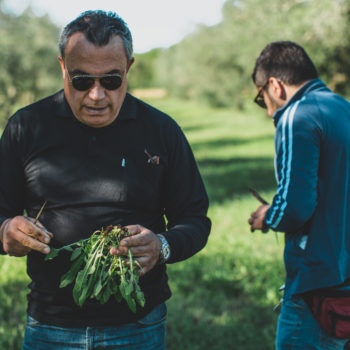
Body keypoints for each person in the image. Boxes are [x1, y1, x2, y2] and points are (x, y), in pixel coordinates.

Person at [0, 10, 211, 349]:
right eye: (81, 81)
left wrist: (162, 245)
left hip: (138, 325)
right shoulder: (26, 127)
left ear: (128, 67)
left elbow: (195, 220)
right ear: (62, 68)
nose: (96, 95)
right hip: (50, 327)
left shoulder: (161, 131)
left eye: (111, 81)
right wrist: (5, 232)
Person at [248, 41, 350, 349]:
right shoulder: (343, 107)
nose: (268, 110)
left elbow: (295, 207)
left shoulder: (297, 115)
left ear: (275, 85)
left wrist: (268, 216)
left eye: (261, 97)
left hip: (317, 281)